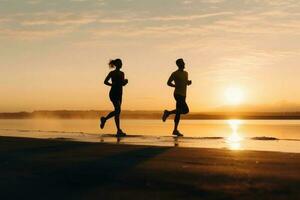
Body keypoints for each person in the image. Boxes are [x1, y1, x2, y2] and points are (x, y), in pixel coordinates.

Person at [162, 58, 192, 137]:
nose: (184, 63)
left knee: (178, 112)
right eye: (183, 62)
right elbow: (168, 83)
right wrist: (175, 85)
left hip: (184, 95)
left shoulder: (186, 73)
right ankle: (168, 113)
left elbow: (185, 82)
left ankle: (175, 130)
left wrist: (188, 82)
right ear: (179, 64)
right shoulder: (175, 73)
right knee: (186, 110)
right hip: (177, 94)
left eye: (184, 62)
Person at [100, 58, 128, 137]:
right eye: (120, 63)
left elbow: (122, 84)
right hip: (113, 93)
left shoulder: (122, 73)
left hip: (120, 94)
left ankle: (118, 130)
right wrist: (112, 85)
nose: (121, 64)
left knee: (117, 112)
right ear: (116, 65)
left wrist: (125, 82)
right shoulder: (112, 73)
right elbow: (105, 81)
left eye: (122, 63)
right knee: (118, 110)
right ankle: (105, 119)